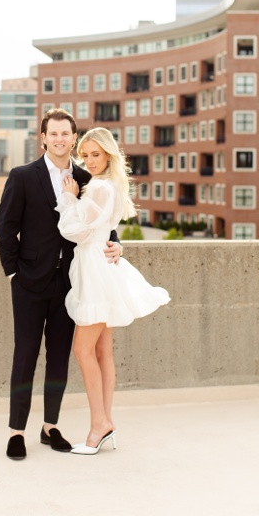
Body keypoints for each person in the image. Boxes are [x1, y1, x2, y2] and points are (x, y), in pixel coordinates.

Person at [0, 108, 122, 461]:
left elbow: (103, 224)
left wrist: (117, 243)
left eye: (66, 133)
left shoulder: (87, 178)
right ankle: (16, 431)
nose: (60, 139)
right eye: (54, 134)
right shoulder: (22, 176)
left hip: (71, 284)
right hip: (28, 283)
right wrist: (13, 273)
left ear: (73, 137)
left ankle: (50, 426)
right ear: (44, 138)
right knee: (25, 356)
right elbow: (5, 227)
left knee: (59, 359)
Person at [56, 127, 170, 455]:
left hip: (94, 267)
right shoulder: (110, 187)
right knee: (103, 351)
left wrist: (68, 197)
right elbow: (101, 228)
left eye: (96, 154)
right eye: (86, 155)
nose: (89, 161)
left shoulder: (99, 188)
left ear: (108, 154)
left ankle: (99, 426)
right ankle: (106, 423)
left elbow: (73, 230)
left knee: (82, 350)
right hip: (102, 265)